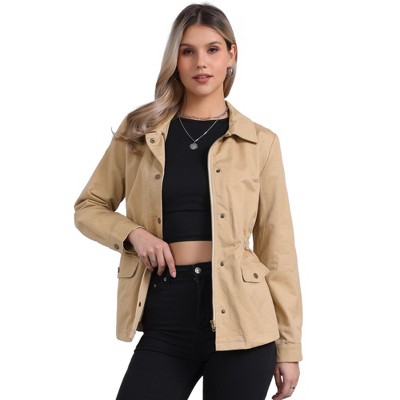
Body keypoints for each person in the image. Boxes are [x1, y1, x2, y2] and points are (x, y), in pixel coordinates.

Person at [74, 3, 303, 399]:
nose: (201, 62)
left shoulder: (260, 143)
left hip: (245, 321)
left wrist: (289, 347)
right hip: (167, 313)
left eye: (213, 49)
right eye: (188, 51)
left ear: (231, 55)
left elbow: (277, 248)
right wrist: (134, 234)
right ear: (175, 60)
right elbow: (89, 206)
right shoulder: (139, 131)